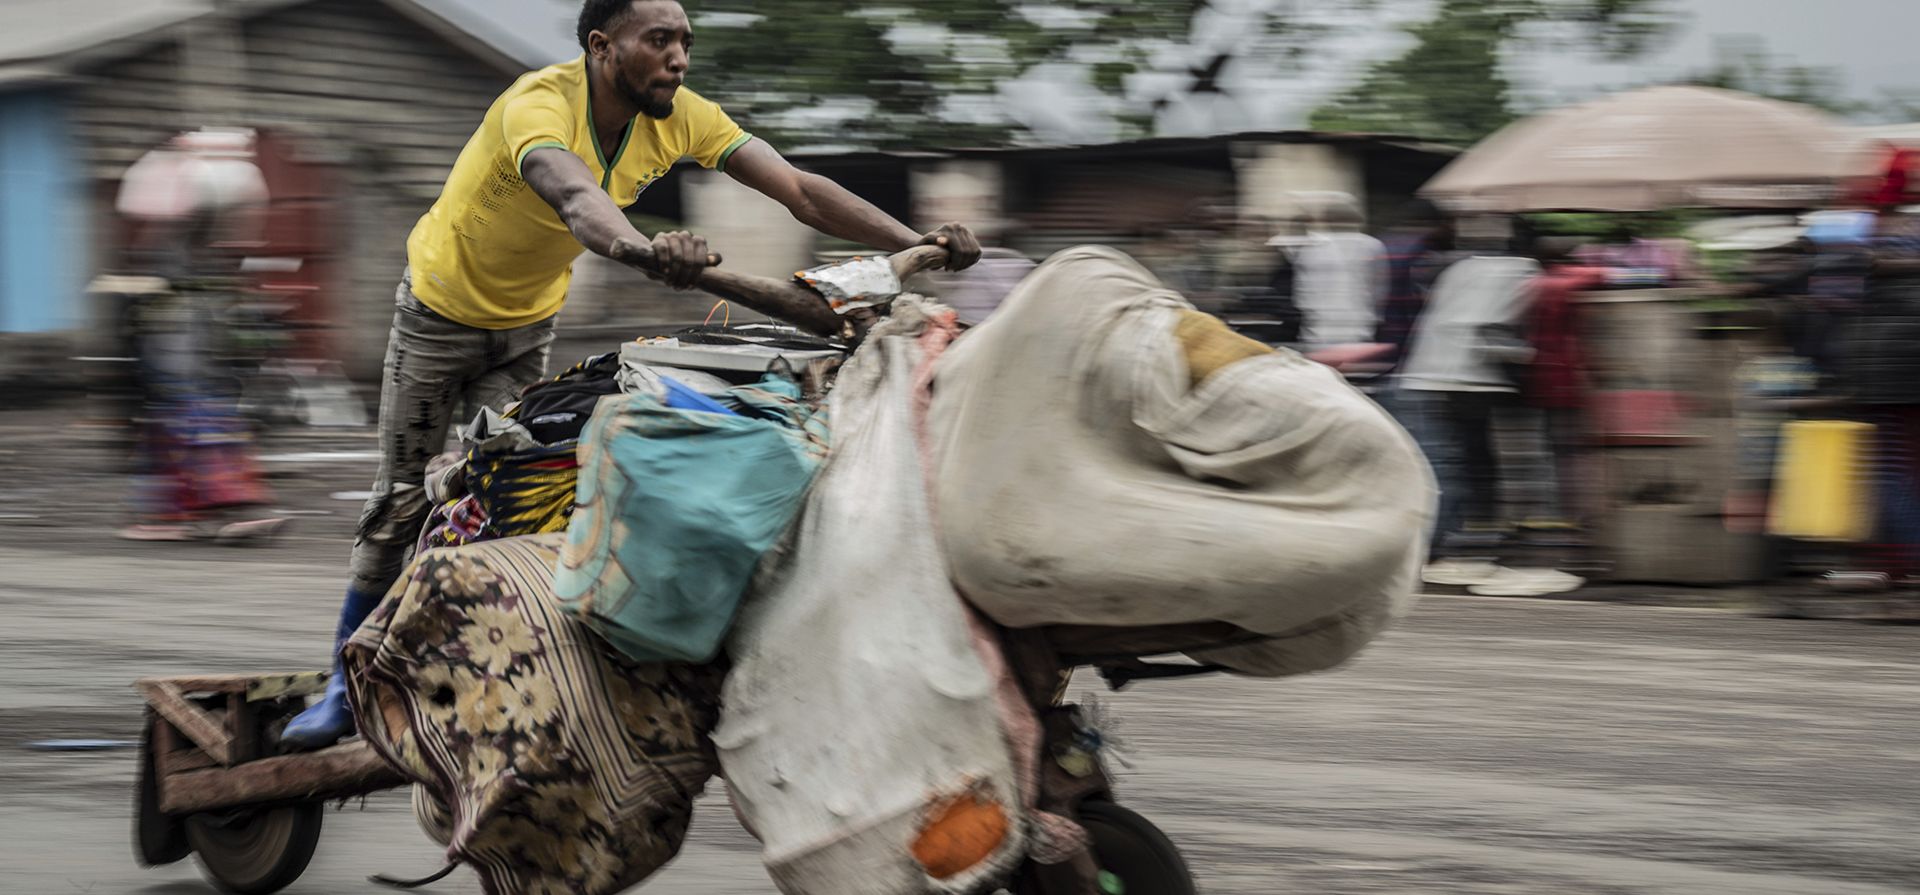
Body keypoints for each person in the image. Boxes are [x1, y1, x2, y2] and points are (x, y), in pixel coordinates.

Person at [281, 0, 982, 749]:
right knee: (397, 499)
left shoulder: (681, 115)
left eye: (685, 41)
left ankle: (468, 663)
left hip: (525, 326)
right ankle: (340, 686)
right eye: (659, 41)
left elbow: (799, 189)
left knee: (506, 488)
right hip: (438, 316)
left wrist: (923, 242)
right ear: (601, 46)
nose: (678, 57)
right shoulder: (538, 105)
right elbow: (578, 199)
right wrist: (642, 249)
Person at [1521, 238, 1606, 533]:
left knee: (1554, 446)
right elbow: (1600, 275)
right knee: (1572, 448)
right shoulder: (1568, 281)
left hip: (1542, 373)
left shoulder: (1534, 284)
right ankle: (1577, 509)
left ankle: (1562, 507)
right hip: (1569, 372)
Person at [1291, 199, 1386, 349]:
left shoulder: (1310, 248)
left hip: (1319, 328)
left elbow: (1301, 294)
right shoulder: (1372, 246)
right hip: (1359, 325)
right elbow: (1380, 289)